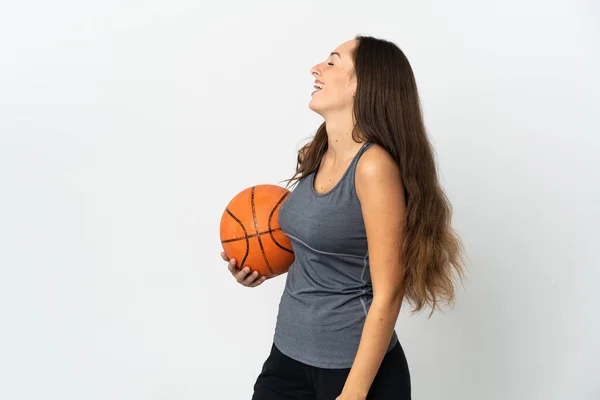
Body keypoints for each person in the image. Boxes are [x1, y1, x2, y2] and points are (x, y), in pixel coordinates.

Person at [220, 35, 466, 400]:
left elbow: (389, 291)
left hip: (352, 372)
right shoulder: (316, 153)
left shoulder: (373, 168)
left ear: (360, 85)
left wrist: (353, 393)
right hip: (287, 358)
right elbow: (327, 246)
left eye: (332, 62)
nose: (315, 69)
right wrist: (260, 264)